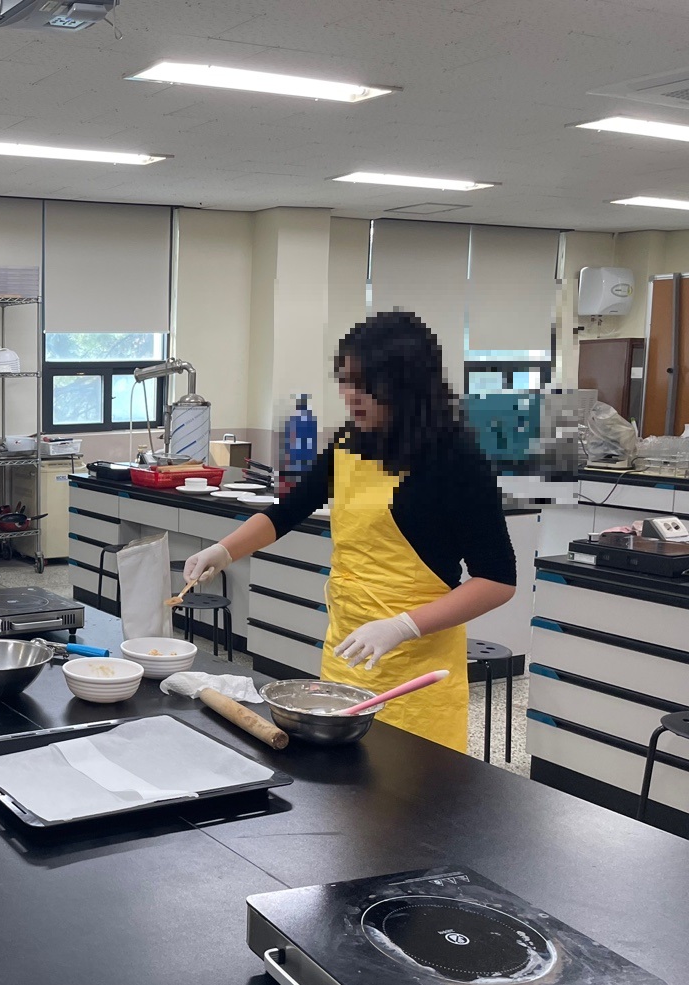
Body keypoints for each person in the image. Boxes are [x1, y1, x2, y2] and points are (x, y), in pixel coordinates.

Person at [183, 311, 515, 752]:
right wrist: (224, 551)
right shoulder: (349, 443)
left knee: (411, 786)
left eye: (365, 385)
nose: (351, 396)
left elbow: (497, 581)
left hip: (417, 672)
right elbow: (288, 512)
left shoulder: (457, 461)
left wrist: (403, 626)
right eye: (346, 382)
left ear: (407, 385)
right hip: (348, 654)